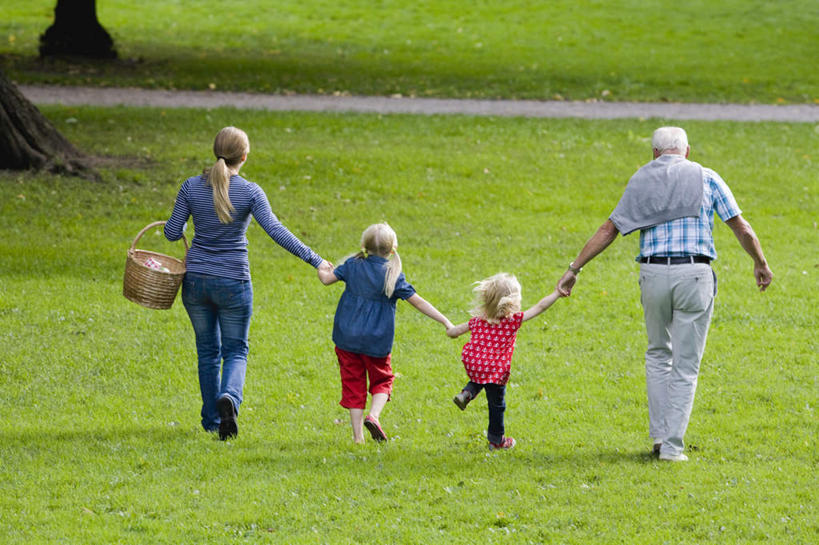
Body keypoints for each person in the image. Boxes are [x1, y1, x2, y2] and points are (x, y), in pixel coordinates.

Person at [556, 126, 772, 461]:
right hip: (694, 275)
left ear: (655, 153)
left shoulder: (641, 179)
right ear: (688, 151)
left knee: (658, 354)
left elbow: (608, 229)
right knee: (685, 364)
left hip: (653, 273)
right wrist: (759, 261)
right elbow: (741, 226)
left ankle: (659, 438)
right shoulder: (707, 177)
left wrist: (574, 269)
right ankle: (671, 448)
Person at [165, 126, 332, 441]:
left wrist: (191, 222)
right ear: (244, 157)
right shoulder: (251, 191)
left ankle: (213, 420)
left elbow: (172, 232)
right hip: (234, 282)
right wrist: (315, 259)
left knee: (207, 352)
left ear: (216, 151)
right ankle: (230, 396)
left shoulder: (190, 187)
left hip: (196, 282)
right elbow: (276, 231)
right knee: (236, 350)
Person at [317, 223, 454, 444]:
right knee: (382, 379)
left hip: (347, 338)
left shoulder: (352, 265)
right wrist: (445, 321)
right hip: (376, 342)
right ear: (393, 249)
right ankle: (374, 415)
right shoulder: (392, 275)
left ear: (363, 246)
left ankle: (358, 437)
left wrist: (321, 268)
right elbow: (418, 302)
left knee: (353, 383)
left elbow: (326, 279)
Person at [447, 273, 563, 450]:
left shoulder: (478, 321)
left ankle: (467, 393)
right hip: (495, 369)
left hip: (474, 363)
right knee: (497, 405)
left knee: (481, 378)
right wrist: (556, 293)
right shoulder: (512, 322)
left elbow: (454, 332)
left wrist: (449, 329)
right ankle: (497, 441)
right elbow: (540, 307)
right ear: (512, 303)